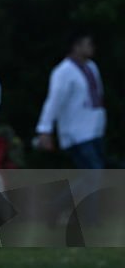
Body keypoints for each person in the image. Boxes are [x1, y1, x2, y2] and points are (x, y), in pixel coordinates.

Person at [34, 31, 106, 169]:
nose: (92, 47)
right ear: (76, 47)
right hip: (77, 132)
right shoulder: (63, 71)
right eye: (88, 44)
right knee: (94, 175)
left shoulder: (92, 67)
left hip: (95, 129)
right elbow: (54, 101)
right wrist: (45, 129)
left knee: (94, 177)